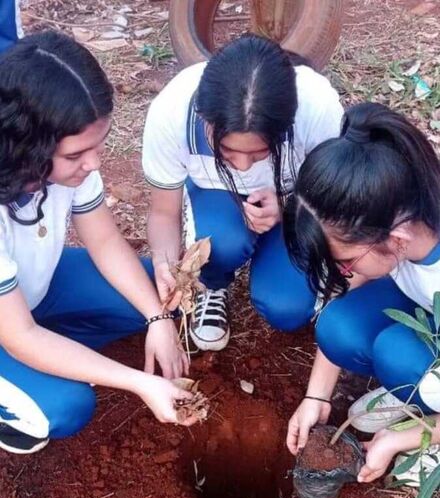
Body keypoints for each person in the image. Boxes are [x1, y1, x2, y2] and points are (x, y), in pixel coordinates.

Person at [0, 31, 197, 455]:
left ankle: (51, 354)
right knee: (64, 408)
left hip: (32, 292)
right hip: (10, 325)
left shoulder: (65, 168)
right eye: (75, 156)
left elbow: (105, 239)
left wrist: (157, 321)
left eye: (98, 146)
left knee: (161, 299)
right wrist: (138, 381)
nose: (93, 164)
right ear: (26, 146)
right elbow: (19, 335)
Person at [282, 102, 440, 485]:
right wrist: (316, 396)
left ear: (396, 240)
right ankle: (418, 395)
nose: (344, 272)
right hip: (433, 311)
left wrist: (400, 441)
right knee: (339, 325)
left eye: (348, 261)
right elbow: (344, 298)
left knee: (398, 355)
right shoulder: (396, 209)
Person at [143, 34, 343, 351]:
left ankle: (291, 259)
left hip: (297, 203)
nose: (244, 167)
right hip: (215, 198)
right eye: (227, 150)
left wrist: (288, 206)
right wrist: (165, 264)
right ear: (204, 119)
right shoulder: (172, 112)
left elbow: (334, 195)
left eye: (260, 152)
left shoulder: (316, 108)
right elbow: (163, 212)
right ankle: (213, 284)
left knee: (287, 308)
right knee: (220, 243)